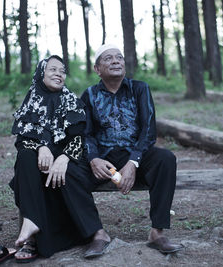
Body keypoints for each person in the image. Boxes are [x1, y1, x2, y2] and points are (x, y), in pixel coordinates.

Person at [81, 44, 183, 255]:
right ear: (97, 69)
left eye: (119, 58)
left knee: (165, 159)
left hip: (135, 154)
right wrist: (93, 159)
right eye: (108, 58)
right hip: (103, 160)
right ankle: (97, 233)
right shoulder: (89, 95)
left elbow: (149, 128)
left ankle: (157, 233)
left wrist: (133, 161)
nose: (116, 61)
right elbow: (86, 133)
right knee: (70, 172)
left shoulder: (140, 88)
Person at [8, 55, 107, 262]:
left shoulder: (71, 100)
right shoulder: (32, 98)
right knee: (25, 157)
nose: (59, 74)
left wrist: (63, 158)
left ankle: (35, 233)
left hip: (69, 156)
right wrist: (42, 146)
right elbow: (23, 138)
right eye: (53, 69)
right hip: (40, 158)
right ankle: (32, 222)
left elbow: (79, 138)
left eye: (62, 71)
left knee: (58, 170)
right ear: (41, 73)